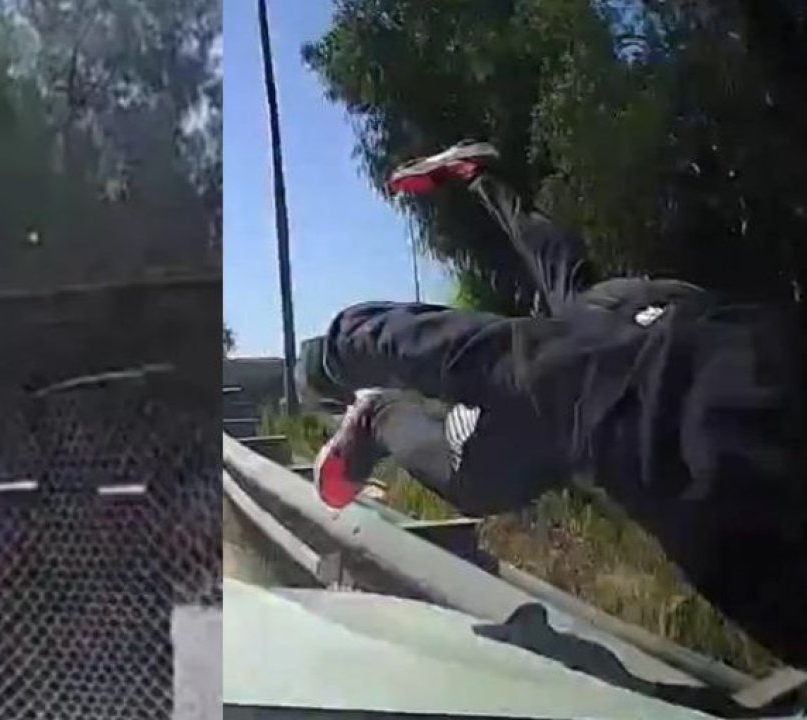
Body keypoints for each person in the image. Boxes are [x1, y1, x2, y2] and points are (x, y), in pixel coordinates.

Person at [305, 140, 807, 665]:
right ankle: (378, 412)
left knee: (580, 298)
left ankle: (480, 174)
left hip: (688, 315)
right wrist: (333, 359)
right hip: (623, 395)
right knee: (476, 465)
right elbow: (466, 350)